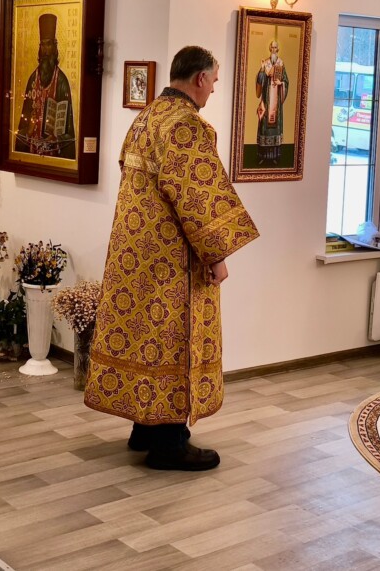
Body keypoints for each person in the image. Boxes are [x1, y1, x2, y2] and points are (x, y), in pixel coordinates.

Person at [84, 46, 260, 471]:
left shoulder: (147, 116)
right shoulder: (186, 125)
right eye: (214, 81)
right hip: (171, 260)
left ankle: (145, 429)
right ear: (199, 78)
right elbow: (197, 197)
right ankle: (168, 443)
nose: (213, 89)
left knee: (147, 339)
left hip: (134, 252)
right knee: (172, 342)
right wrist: (216, 256)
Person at [14, 12, 75, 158]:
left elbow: (69, 132)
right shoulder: (32, 80)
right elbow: (22, 128)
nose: (46, 50)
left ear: (55, 46)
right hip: (32, 150)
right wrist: (28, 131)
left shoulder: (61, 81)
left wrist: (56, 137)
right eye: (43, 45)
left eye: (49, 44)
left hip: (53, 153)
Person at [255, 39, 289, 165]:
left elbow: (286, 81)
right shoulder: (265, 63)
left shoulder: (281, 63)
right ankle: (263, 156)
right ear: (270, 49)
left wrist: (281, 83)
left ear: (278, 49)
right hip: (266, 101)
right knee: (264, 128)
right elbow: (260, 80)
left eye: (275, 47)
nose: (274, 49)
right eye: (272, 47)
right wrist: (262, 70)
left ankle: (275, 156)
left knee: (275, 129)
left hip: (276, 105)